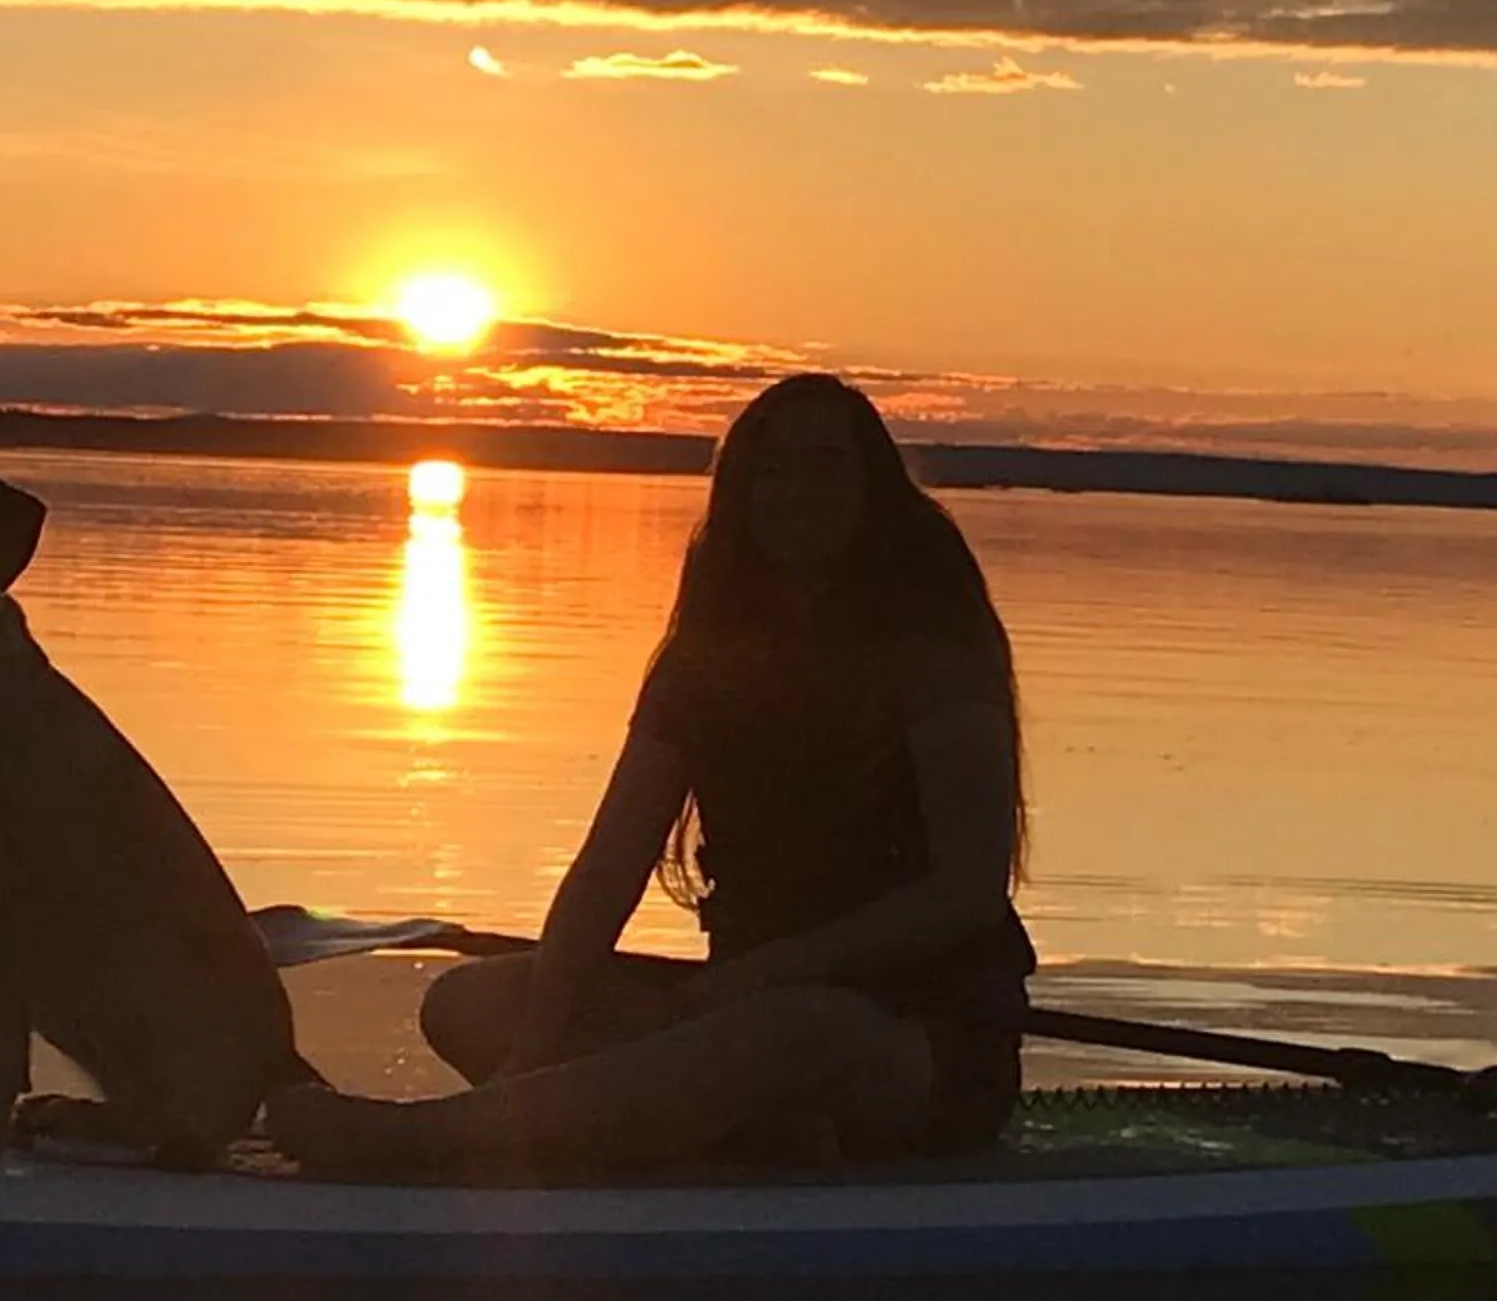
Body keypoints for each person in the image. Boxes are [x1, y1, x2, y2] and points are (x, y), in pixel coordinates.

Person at [269, 371, 1033, 1175]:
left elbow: (965, 891)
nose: (794, 492)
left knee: (799, 1030)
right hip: (736, 1005)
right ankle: (710, 1125)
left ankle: (430, 1142)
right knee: (470, 1000)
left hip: (914, 1039)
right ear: (740, 493)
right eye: (771, 470)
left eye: (824, 467)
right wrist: (533, 1052)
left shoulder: (933, 654)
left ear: (870, 489)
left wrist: (767, 976)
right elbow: (605, 873)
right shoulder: (703, 664)